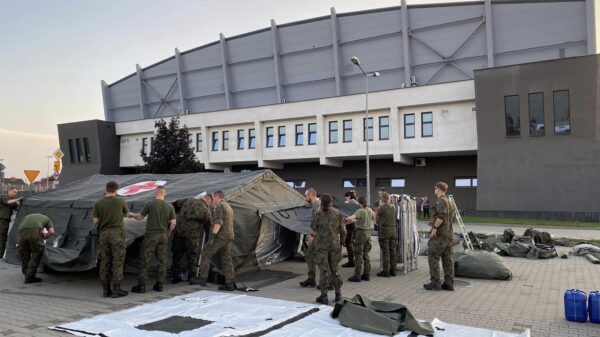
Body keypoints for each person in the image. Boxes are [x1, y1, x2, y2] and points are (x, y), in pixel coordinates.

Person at [131, 186, 176, 293]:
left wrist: (132, 214)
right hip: (163, 236)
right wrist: (168, 232)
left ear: (155, 193)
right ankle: (159, 285)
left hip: (151, 235)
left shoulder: (150, 204)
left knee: (145, 260)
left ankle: (141, 286)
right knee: (162, 260)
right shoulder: (170, 207)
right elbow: (173, 223)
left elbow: (140, 217)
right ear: (164, 194)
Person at [92, 181, 132, 298]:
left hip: (104, 234)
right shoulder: (120, 201)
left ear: (106, 189)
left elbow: (95, 221)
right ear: (116, 190)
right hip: (117, 234)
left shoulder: (98, 203)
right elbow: (126, 214)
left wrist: (104, 218)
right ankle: (117, 289)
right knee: (118, 261)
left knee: (105, 261)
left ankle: (105, 290)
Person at [311, 194, 346, 305]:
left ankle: (324, 296)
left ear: (321, 202)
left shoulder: (317, 214)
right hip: (335, 246)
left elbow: (313, 227)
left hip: (321, 247)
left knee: (324, 271)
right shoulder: (337, 213)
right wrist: (342, 242)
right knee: (335, 270)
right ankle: (338, 294)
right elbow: (343, 230)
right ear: (331, 202)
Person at [198, 190, 235, 291]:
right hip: (228, 236)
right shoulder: (228, 206)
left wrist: (212, 237)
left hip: (220, 236)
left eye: (213, 198)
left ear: (217, 197)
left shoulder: (219, 206)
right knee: (227, 259)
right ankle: (229, 283)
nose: (213, 200)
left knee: (205, 253)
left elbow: (218, 223)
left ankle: (202, 279)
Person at [171, 194, 212, 285]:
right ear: (208, 201)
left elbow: (175, 203)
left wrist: (176, 216)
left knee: (177, 255)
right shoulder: (205, 209)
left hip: (179, 232)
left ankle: (174, 276)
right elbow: (208, 225)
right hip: (192, 236)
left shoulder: (187, 200)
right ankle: (192, 277)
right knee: (192, 256)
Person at [424, 182, 455, 291]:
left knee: (433, 256)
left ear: (439, 189)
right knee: (447, 259)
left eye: (435, 188)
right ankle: (449, 283)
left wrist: (435, 228)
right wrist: (433, 222)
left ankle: (435, 283)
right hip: (448, 234)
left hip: (440, 235)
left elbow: (442, 216)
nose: (434, 190)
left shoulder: (441, 200)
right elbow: (451, 217)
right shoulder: (449, 201)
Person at [17, 213, 54, 283]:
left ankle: (26, 272)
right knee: (37, 253)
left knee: (24, 253)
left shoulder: (27, 216)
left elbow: (23, 226)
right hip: (35, 230)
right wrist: (44, 237)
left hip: (22, 231)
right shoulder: (47, 218)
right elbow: (52, 231)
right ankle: (30, 277)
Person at [344, 196, 374, 282]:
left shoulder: (360, 211)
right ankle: (367, 274)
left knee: (358, 254)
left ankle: (357, 276)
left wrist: (346, 219)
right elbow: (372, 219)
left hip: (360, 234)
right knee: (366, 254)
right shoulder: (370, 210)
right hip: (368, 233)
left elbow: (352, 217)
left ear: (359, 203)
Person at [300, 188, 321, 288]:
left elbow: (319, 222)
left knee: (320, 258)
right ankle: (311, 279)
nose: (306, 197)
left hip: (319, 237)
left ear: (311, 195)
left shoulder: (318, 205)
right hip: (314, 235)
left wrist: (312, 235)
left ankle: (326, 281)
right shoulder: (314, 205)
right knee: (309, 256)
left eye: (306, 195)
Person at [376, 192, 397, 277]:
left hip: (385, 231)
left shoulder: (382, 208)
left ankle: (385, 271)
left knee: (386, 252)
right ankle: (393, 270)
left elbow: (377, 218)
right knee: (393, 251)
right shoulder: (393, 207)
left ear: (383, 199)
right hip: (393, 230)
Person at [0, 186, 21, 258]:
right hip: (2, 219)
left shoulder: (13, 200)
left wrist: (19, 203)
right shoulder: (4, 197)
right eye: (14, 192)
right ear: (10, 191)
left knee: (3, 237)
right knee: (2, 237)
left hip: (6, 220)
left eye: (16, 192)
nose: (15, 193)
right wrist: (17, 199)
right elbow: (8, 202)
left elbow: (17, 208)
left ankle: (1, 254)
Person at [342, 191, 358, 268]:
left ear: (348, 196)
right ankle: (354, 260)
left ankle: (351, 261)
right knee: (351, 242)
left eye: (346, 196)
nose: (345, 198)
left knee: (348, 242)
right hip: (354, 224)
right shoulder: (356, 202)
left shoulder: (350, 202)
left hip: (350, 224)